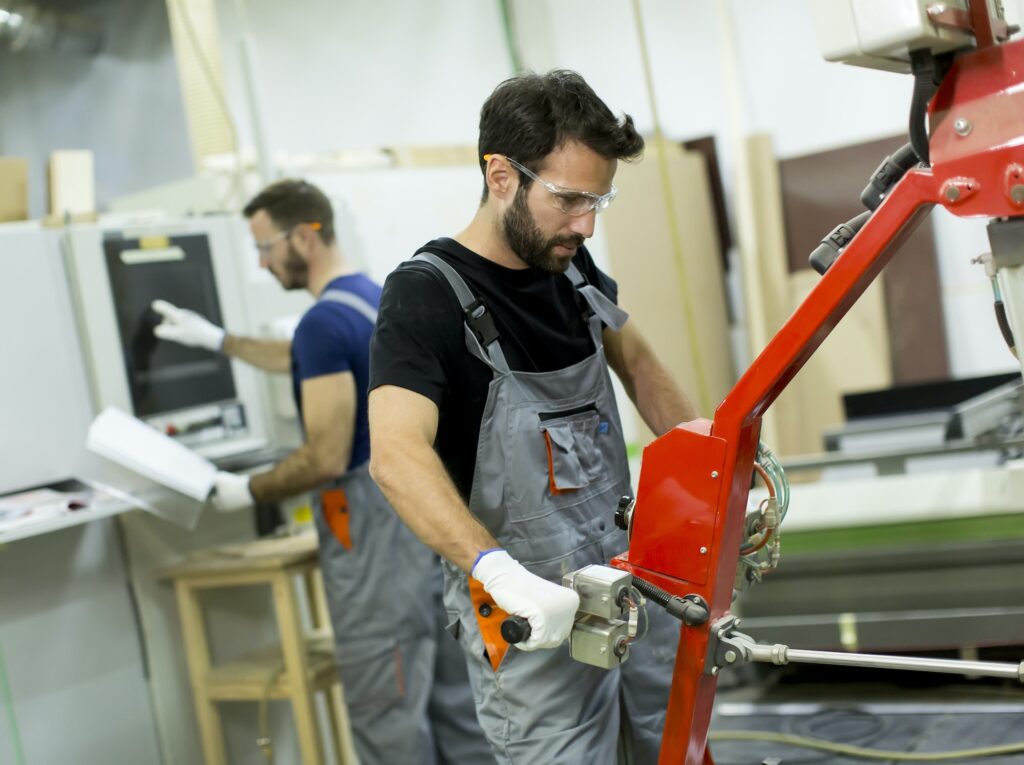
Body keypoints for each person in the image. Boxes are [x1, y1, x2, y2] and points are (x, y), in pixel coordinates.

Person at [368, 70, 700, 764]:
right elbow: (396, 454)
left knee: (676, 746)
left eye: (598, 201)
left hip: (629, 590)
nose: (585, 224)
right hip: (533, 620)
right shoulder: (425, 296)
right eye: (570, 198)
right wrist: (495, 569)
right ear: (499, 175)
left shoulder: (572, 272)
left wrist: (711, 465)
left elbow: (639, 366)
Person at [151, 179, 493, 765]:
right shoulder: (373, 297)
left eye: (264, 248)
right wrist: (219, 341)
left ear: (305, 237)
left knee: (386, 712)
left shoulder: (320, 324)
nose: (261, 263)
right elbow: (311, 355)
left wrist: (245, 489)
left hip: (372, 543)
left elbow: (324, 455)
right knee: (452, 707)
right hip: (423, 522)